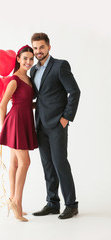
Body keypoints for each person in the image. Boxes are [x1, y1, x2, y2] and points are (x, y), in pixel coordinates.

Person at [30, 33, 81, 219]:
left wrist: (66, 118)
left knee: (60, 163)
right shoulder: (33, 71)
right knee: (47, 165)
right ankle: (52, 203)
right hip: (40, 124)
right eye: (35, 48)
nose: (38, 51)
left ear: (49, 47)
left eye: (41, 47)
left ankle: (71, 204)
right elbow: (41, 96)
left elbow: (74, 92)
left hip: (57, 124)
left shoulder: (60, 66)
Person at [0, 45, 38, 222]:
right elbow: (2, 104)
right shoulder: (15, 79)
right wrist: (3, 127)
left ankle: (12, 200)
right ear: (18, 59)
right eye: (25, 59)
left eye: (31, 59)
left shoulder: (28, 79)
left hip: (25, 120)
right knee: (25, 162)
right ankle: (17, 203)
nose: (29, 62)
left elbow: (26, 102)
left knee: (14, 163)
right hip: (16, 122)